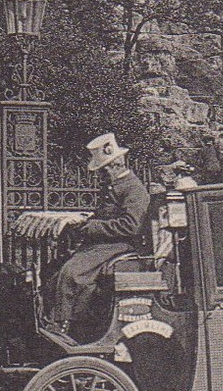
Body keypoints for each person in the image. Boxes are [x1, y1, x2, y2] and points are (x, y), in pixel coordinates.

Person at [47, 133, 153, 335]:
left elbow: (130, 226)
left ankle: (66, 325)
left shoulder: (134, 189)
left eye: (102, 170)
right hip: (104, 244)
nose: (100, 176)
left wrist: (91, 227)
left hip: (120, 245)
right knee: (55, 270)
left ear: (115, 166)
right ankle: (54, 320)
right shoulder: (115, 185)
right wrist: (84, 222)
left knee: (73, 273)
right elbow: (105, 215)